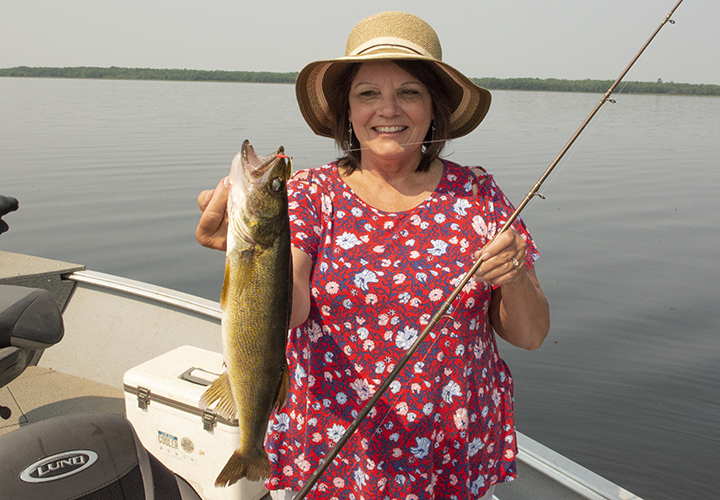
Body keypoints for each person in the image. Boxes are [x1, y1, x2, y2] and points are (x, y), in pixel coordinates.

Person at [196, 11, 549, 500]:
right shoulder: (309, 195)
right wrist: (247, 262)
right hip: (334, 456)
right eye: (368, 94)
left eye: (409, 92)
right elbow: (291, 310)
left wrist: (515, 273)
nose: (389, 110)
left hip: (452, 460)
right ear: (345, 111)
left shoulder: (479, 195)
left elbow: (530, 335)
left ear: (433, 107)